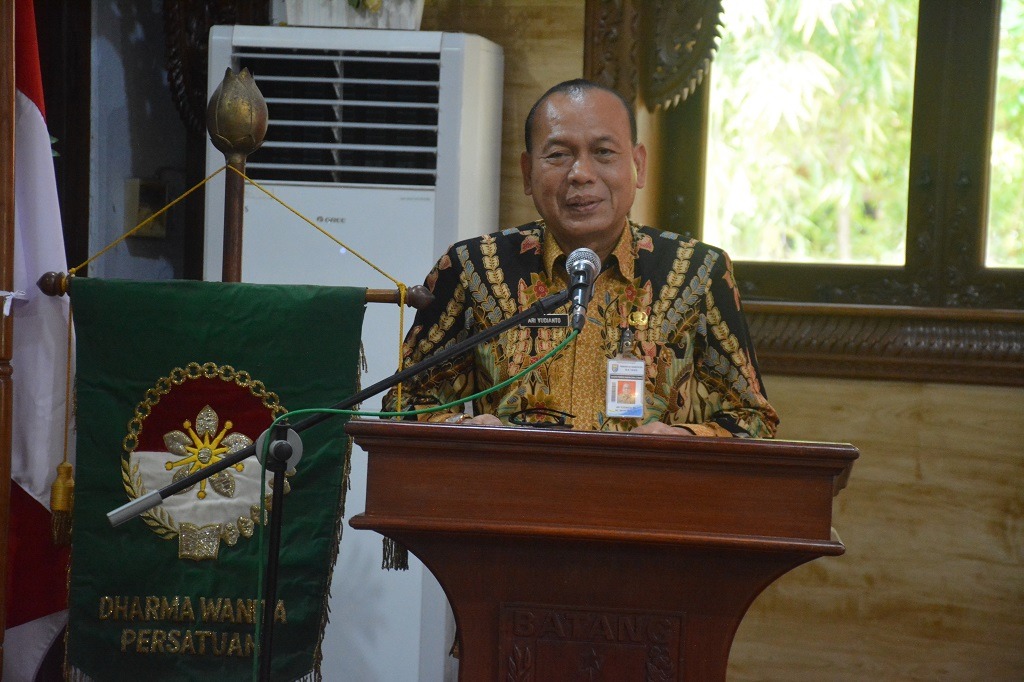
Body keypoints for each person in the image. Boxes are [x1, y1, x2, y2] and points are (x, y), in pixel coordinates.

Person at [382, 79, 778, 438]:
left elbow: (751, 418)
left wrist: (685, 440)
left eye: (603, 152)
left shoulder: (698, 271)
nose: (581, 173)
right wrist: (464, 427)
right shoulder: (474, 267)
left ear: (638, 165)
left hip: (648, 503)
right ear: (526, 171)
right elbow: (402, 404)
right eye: (558, 155)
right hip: (509, 500)